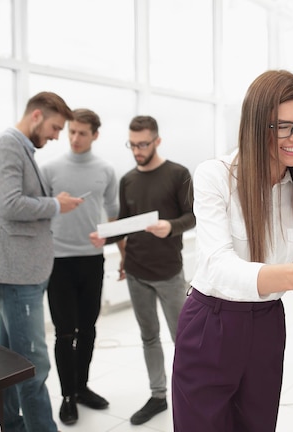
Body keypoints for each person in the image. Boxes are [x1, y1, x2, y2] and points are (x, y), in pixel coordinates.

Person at [171, 69, 293, 432]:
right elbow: (217, 267)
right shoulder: (216, 176)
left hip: (267, 323)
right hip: (211, 322)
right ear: (256, 126)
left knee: (258, 424)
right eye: (282, 127)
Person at [0, 91, 82, 432]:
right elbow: (10, 205)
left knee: (10, 361)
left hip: (21, 271)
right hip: (16, 272)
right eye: (55, 127)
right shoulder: (5, 145)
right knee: (33, 365)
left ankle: (9, 423)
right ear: (37, 116)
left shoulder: (19, 148)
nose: (57, 136)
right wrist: (56, 205)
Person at [90, 115, 195, 425]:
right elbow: (125, 222)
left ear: (157, 141)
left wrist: (170, 226)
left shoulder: (178, 174)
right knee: (149, 337)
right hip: (136, 272)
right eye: (132, 145)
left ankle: (190, 393)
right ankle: (158, 395)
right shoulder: (128, 180)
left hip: (169, 274)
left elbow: (192, 217)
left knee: (183, 339)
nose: (137, 151)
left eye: (143, 144)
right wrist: (105, 238)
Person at [41, 108, 123, 425]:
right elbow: (38, 212)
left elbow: (114, 214)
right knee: (65, 333)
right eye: (71, 131)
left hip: (91, 261)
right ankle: (66, 396)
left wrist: (115, 245)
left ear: (95, 135)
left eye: (82, 133)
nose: (74, 138)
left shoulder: (106, 169)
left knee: (88, 329)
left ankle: (81, 387)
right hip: (58, 262)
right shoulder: (49, 169)